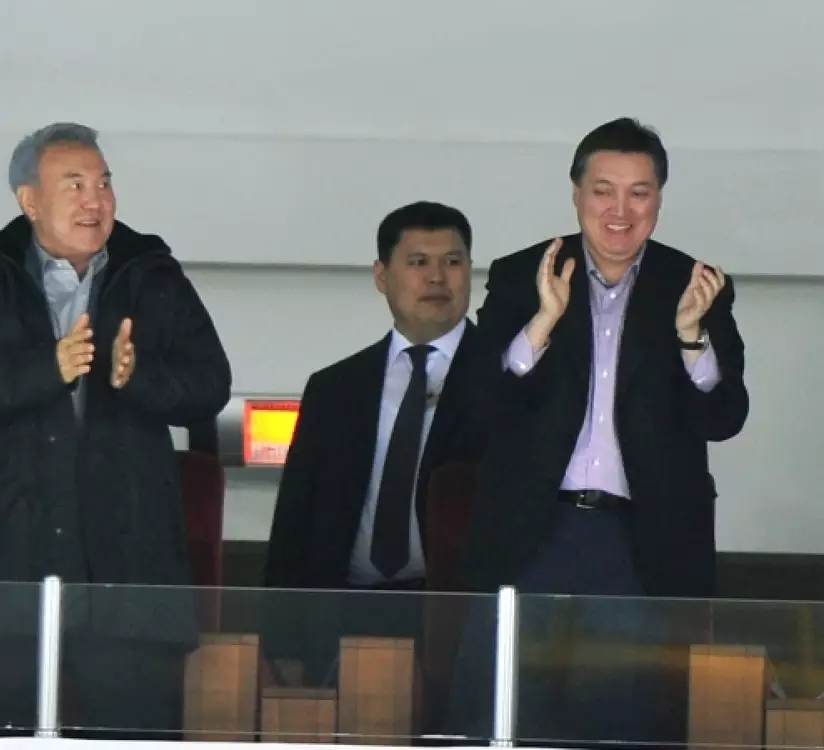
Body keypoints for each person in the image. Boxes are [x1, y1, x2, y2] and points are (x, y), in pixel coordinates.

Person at [0, 122, 231, 737]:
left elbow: (209, 386)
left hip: (129, 575)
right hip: (7, 569)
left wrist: (138, 377)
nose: (95, 200)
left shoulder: (152, 274)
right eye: (75, 184)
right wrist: (47, 369)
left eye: (104, 184)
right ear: (29, 200)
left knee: (130, 732)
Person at [449, 118, 749, 744]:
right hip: (532, 530)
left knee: (621, 720)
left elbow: (724, 418)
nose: (620, 211)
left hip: (639, 541)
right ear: (576, 194)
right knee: (499, 716)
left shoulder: (694, 285)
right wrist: (541, 324)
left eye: (639, 192)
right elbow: (478, 407)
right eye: (603, 190)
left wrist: (691, 337)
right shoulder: (524, 274)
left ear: (658, 201)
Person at [263, 202, 489, 717]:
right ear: (382, 276)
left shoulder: (507, 380)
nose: (437, 277)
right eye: (418, 262)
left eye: (453, 262)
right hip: (346, 614)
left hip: (461, 623)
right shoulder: (336, 388)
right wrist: (283, 642)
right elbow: (295, 522)